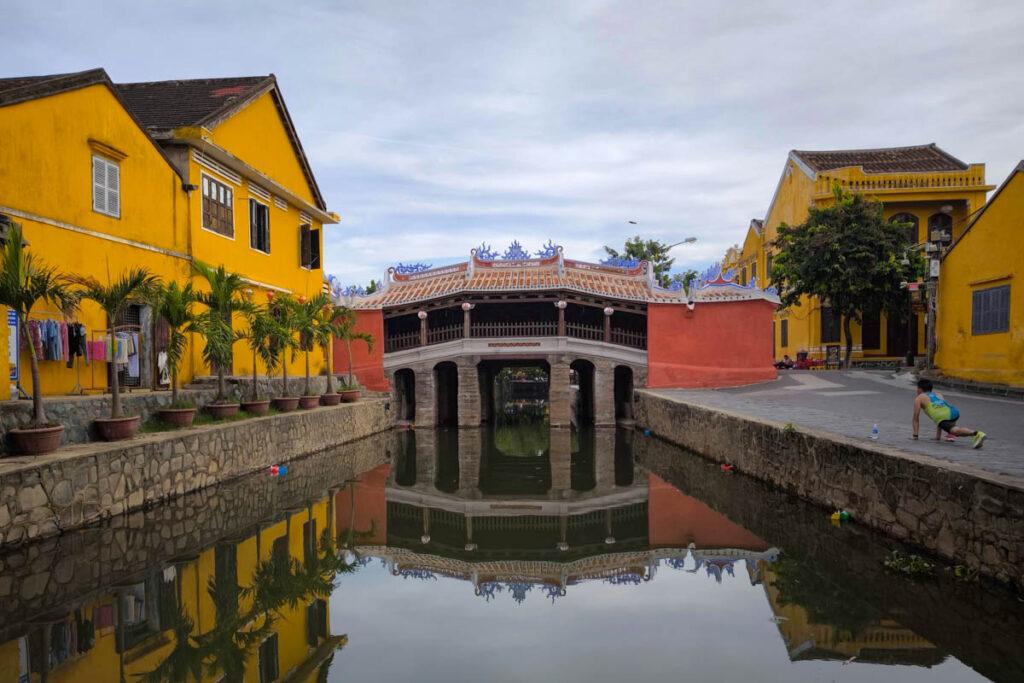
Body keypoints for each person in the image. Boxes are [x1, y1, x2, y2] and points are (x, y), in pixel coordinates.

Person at [912, 379, 986, 448]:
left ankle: (977, 434)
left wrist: (915, 436)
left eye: (917, 388)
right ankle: (951, 435)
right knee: (950, 426)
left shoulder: (919, 398)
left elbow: (916, 418)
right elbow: (940, 413)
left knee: (955, 431)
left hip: (943, 417)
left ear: (920, 389)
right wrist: (938, 437)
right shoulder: (938, 394)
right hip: (953, 412)